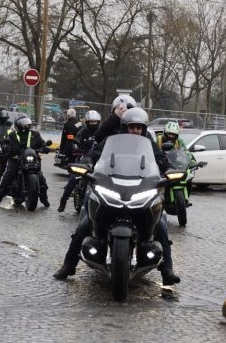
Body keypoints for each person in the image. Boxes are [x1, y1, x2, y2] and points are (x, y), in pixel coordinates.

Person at [53, 107, 181, 285]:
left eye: (138, 127)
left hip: (140, 189)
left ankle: (167, 269)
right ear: (124, 127)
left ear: (143, 129)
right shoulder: (110, 141)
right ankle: (68, 265)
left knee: (160, 225)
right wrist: (87, 163)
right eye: (131, 127)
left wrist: (169, 170)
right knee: (84, 224)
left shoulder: (149, 144)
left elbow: (161, 160)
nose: (135, 130)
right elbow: (95, 154)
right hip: (112, 187)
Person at [0, 115, 50, 208]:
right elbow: (6, 144)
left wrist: (45, 148)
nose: (26, 126)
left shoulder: (35, 134)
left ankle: (44, 199)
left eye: (27, 124)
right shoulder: (12, 135)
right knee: (8, 176)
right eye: (24, 125)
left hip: (31, 161)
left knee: (41, 178)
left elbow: (42, 143)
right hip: (16, 159)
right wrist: (7, 148)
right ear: (18, 125)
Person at [57, 110, 101, 212]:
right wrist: (75, 146)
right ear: (87, 122)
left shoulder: (101, 132)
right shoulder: (83, 131)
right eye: (91, 122)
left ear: (99, 122)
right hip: (83, 156)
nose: (93, 124)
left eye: (95, 122)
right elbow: (76, 139)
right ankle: (64, 200)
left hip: (99, 158)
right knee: (74, 177)